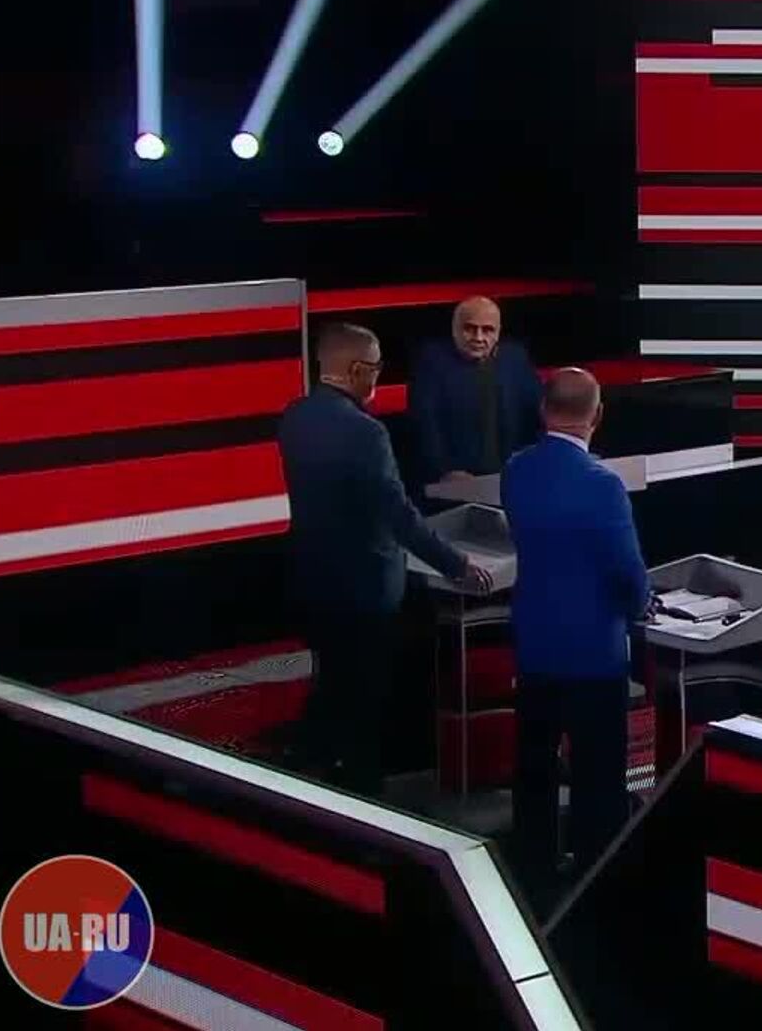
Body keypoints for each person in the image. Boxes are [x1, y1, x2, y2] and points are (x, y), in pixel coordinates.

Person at [279, 323, 492, 794]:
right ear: (357, 370)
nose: (378, 377)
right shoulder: (366, 433)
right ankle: (362, 793)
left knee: (333, 679)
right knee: (363, 700)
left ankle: (308, 766)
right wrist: (457, 565)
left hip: (313, 579)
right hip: (364, 589)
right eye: (375, 369)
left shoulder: (295, 417)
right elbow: (399, 516)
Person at [502, 368, 651, 896]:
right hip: (593, 653)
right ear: (597, 416)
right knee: (597, 774)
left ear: (544, 411)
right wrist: (643, 607)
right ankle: (595, 875)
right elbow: (627, 572)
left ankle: (532, 869)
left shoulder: (517, 470)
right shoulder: (602, 485)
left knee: (535, 765)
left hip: (535, 644)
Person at [411, 296, 544, 485]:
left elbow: (538, 414)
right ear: (454, 329)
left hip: (512, 475)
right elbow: (425, 426)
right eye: (469, 328)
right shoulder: (432, 362)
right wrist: (444, 471)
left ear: (498, 332)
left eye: (487, 330)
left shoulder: (515, 357)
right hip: (456, 480)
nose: (478, 337)